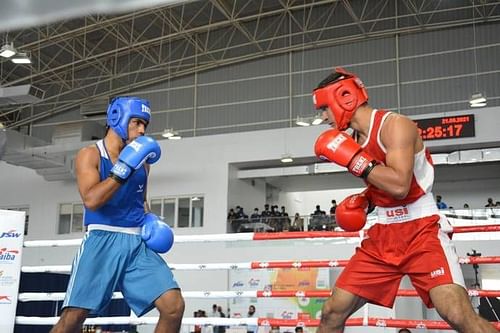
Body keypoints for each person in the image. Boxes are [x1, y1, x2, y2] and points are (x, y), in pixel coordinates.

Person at [312, 68, 496, 333]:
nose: (323, 117)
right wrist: (366, 200)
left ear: (345, 97)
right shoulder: (353, 140)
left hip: (421, 231)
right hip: (383, 236)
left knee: (457, 314)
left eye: (324, 108)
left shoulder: (395, 125)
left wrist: (354, 160)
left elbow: (400, 185)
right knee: (331, 312)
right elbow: (381, 182)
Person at [50, 97, 184, 333]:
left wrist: (151, 220)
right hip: (102, 240)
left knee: (173, 306)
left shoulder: (143, 162)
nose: (142, 130)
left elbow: (141, 201)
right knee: (73, 318)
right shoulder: (89, 155)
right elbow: (91, 200)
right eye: (137, 122)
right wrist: (122, 169)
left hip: (136, 244)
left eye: (145, 125)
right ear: (116, 118)